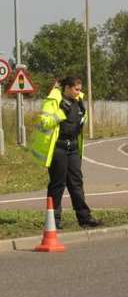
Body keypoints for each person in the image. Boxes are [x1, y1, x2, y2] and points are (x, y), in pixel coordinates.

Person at [28, 75, 100, 229]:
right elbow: (45, 122)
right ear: (67, 87)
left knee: (76, 183)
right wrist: (61, 112)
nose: (78, 92)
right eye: (76, 89)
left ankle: (85, 218)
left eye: (80, 90)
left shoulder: (79, 101)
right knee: (57, 184)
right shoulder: (53, 101)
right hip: (58, 148)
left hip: (73, 148)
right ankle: (54, 220)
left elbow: (80, 121)